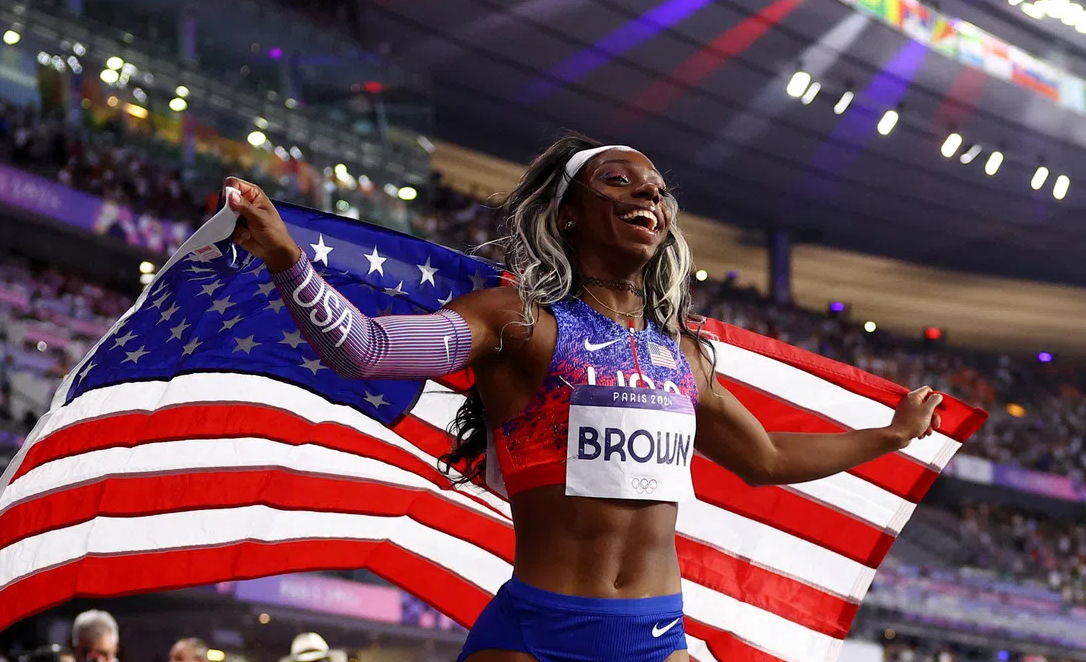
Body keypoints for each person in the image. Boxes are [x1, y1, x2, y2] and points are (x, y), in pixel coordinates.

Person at [225, 134, 943, 662]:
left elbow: (768, 457)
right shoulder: (518, 322)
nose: (648, 195)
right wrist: (288, 260)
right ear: (568, 214)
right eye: (620, 181)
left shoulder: (682, 354)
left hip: (658, 638)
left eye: (658, 189)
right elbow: (369, 350)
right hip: (536, 637)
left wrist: (892, 435)